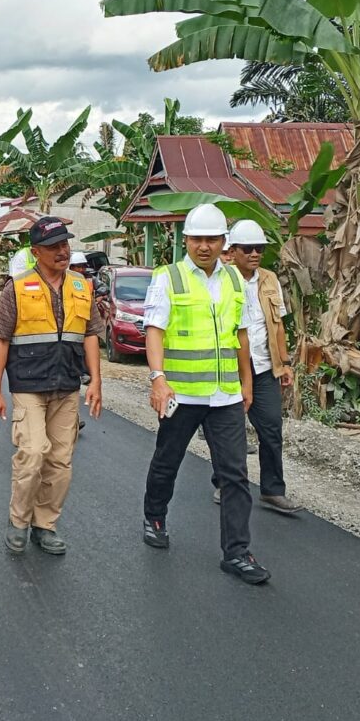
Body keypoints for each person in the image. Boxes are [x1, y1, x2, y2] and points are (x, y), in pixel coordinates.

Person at [140, 203, 270, 585]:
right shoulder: (169, 278)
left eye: (212, 239)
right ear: (186, 240)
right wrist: (158, 378)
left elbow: (241, 333)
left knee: (235, 474)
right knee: (168, 460)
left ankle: (236, 552)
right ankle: (155, 515)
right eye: (197, 239)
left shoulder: (234, 280)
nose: (204, 246)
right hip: (182, 393)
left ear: (223, 243)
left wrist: (247, 381)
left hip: (224, 394)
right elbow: (155, 331)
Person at [0, 216, 102, 556]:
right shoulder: (17, 288)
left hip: (67, 386)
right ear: (36, 252)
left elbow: (92, 334)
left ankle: (45, 524)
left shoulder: (82, 286)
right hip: (28, 385)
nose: (62, 251)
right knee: (33, 452)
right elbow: (0, 341)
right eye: (53, 247)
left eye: (65, 244)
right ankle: (19, 520)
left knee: (60, 462)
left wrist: (95, 380)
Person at [213, 219, 302, 514]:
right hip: (230, 365)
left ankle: (273, 490)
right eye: (248, 248)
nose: (254, 254)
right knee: (231, 428)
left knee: (272, 428)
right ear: (233, 251)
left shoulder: (269, 279)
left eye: (259, 249)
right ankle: (225, 483)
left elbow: (277, 326)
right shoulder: (219, 279)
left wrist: (285, 363)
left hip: (264, 366)